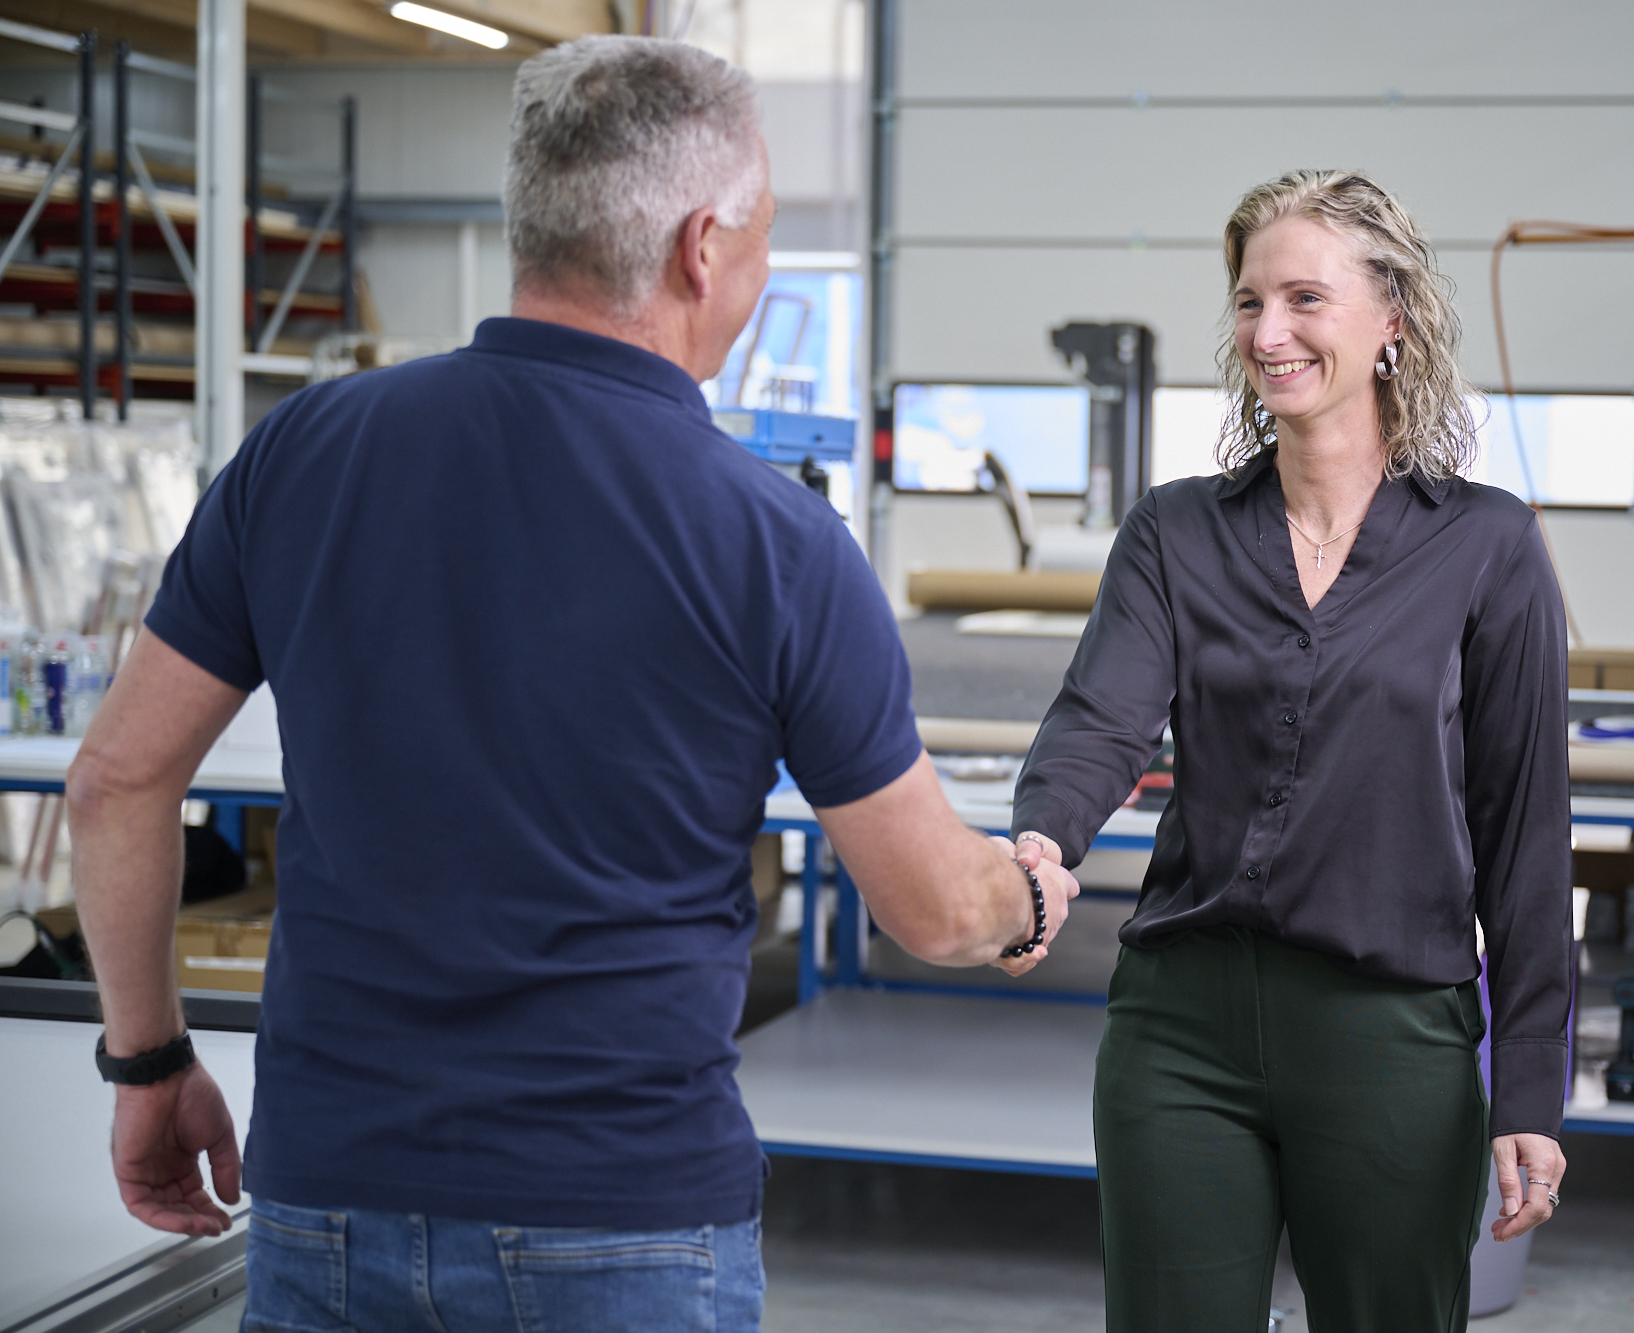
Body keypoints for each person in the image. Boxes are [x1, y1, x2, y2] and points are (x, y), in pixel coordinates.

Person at [67, 36, 1075, 1333]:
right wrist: (1028, 890)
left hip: (327, 1195)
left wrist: (149, 1061)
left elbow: (113, 780)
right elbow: (934, 909)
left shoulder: (305, 453)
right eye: (763, 239)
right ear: (703, 247)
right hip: (624, 1225)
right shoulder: (775, 542)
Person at [1010, 169, 1572, 1333]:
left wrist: (1528, 1087)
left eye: (1304, 299)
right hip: (1180, 1028)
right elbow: (1098, 719)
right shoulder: (1176, 530)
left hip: (1389, 1037)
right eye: (1250, 302)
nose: (1268, 334)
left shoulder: (1486, 545)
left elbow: (1526, 836)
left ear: (1391, 321)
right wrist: (1040, 843)